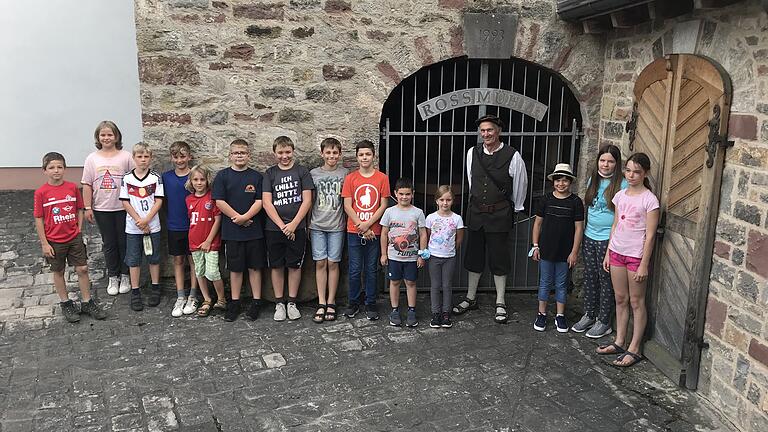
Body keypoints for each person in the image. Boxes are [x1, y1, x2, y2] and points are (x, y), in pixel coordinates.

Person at [454, 114, 528, 324]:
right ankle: (470, 297)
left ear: (498, 131)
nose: (486, 134)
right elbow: (471, 180)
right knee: (474, 255)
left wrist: (517, 207)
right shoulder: (472, 153)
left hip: (500, 213)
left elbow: (520, 184)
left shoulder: (512, 155)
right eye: (483, 131)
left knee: (499, 258)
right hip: (476, 213)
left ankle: (501, 301)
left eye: (490, 130)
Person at [596, 153, 659, 368]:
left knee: (636, 302)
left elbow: (650, 236)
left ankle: (635, 348)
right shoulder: (620, 195)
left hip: (635, 257)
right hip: (616, 253)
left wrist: (643, 263)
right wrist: (608, 252)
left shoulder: (649, 200)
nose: (631, 175)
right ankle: (620, 341)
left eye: (637, 172)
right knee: (620, 298)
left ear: (645, 174)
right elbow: (615, 225)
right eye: (629, 170)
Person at [34, 152, 106, 322]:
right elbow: (39, 218)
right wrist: (44, 243)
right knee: (58, 271)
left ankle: (87, 302)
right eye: (51, 167)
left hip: (73, 237)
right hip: (54, 240)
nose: (56, 170)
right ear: (45, 170)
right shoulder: (41, 193)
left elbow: (79, 209)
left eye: (59, 167)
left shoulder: (72, 188)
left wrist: (79, 230)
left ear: (65, 169)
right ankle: (66, 303)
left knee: (82, 269)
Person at [572, 145, 627, 337]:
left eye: (610, 161)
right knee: (590, 277)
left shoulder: (622, 184)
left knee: (605, 281)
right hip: (590, 235)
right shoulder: (592, 180)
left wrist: (613, 244)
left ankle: (604, 321)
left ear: (616, 164)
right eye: (603, 160)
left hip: (607, 238)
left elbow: (622, 217)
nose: (606, 164)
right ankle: (589, 314)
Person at [262, 136, 315, 321]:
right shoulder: (270, 173)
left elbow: (307, 200)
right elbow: (267, 203)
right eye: (280, 153)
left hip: (297, 228)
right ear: (275, 153)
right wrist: (282, 225)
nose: (284, 156)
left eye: (287, 152)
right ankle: (279, 303)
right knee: (276, 265)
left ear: (293, 151)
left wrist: (293, 224)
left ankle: (292, 302)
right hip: (274, 228)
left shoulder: (302, 172)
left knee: (294, 265)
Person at [213, 139, 265, 322]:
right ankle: (234, 302)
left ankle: (256, 301)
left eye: (243, 152)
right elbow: (219, 201)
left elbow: (260, 201)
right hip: (232, 231)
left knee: (255, 267)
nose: (239, 156)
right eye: (236, 153)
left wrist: (246, 217)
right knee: (235, 269)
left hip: (254, 231)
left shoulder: (257, 177)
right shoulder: (222, 176)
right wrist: (238, 218)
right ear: (230, 155)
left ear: (249, 155)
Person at [81, 120, 134, 296]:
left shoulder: (126, 156)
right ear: (98, 137)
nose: (106, 138)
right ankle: (113, 275)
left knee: (124, 241)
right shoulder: (92, 158)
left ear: (116, 136)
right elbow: (87, 184)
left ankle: (125, 274)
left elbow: (134, 180)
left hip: (123, 207)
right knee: (109, 243)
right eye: (103, 135)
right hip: (102, 208)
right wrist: (87, 207)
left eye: (110, 134)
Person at [530, 163, 584, 333]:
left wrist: (574, 251)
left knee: (561, 284)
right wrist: (535, 246)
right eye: (558, 180)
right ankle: (542, 313)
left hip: (565, 252)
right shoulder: (546, 199)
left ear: (570, 182)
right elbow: (537, 224)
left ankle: (560, 315)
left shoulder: (575, 202)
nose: (561, 184)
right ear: (553, 181)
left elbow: (578, 228)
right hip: (546, 248)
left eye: (565, 180)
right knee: (545, 282)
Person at [341, 140, 390, 320]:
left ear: (373, 156)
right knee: (354, 269)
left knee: (371, 268)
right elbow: (347, 205)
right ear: (356, 157)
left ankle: (370, 302)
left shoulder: (382, 178)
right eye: (361, 155)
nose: (364, 158)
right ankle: (353, 302)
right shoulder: (351, 178)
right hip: (354, 231)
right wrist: (360, 225)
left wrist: (368, 224)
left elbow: (383, 204)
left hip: (374, 231)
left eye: (367, 154)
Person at [120, 143, 164, 312]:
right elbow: (125, 201)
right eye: (139, 156)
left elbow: (159, 201)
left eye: (146, 157)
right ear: (134, 158)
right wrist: (139, 220)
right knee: (133, 259)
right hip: (133, 226)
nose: (143, 160)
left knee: (153, 257)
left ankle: (155, 287)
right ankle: (135, 291)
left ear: (150, 158)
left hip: (152, 225)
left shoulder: (155, 178)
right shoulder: (127, 178)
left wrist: (147, 220)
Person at [308, 138, 348, 323]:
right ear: (322, 153)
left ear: (339, 154)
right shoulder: (313, 174)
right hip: (317, 225)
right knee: (320, 263)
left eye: (335, 153)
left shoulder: (345, 174)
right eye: (328, 153)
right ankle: (321, 301)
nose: (331, 156)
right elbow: (309, 201)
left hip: (337, 226)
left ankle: (331, 301)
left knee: (333, 263)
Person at [380, 178, 427, 327]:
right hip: (394, 256)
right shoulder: (389, 212)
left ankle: (412, 309)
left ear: (412, 194)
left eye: (407, 194)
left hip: (412, 257)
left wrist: (421, 254)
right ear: (395, 193)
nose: (404, 197)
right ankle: (394, 310)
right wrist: (383, 253)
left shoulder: (418, 212)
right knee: (394, 282)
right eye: (401, 194)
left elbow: (423, 234)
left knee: (411, 282)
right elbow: (384, 233)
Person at [161, 141, 198, 317]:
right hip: (175, 225)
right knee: (178, 261)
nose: (179, 160)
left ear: (189, 157)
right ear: (171, 158)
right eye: (176, 157)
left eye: (183, 156)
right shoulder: (166, 177)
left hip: (194, 226)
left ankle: (193, 295)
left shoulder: (195, 176)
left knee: (194, 262)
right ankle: (180, 295)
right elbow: (164, 202)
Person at [185, 165, 226, 318]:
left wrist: (209, 240)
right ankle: (207, 299)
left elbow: (217, 220)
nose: (199, 182)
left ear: (207, 180)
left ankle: (221, 299)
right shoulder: (188, 199)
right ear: (191, 181)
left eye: (202, 179)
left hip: (211, 243)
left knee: (213, 272)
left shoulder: (212, 198)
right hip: (194, 242)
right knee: (199, 271)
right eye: (195, 179)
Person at [425, 185, 464, 329]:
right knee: (435, 285)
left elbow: (459, 238)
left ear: (453, 201)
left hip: (449, 257)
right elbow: (427, 235)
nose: (445, 203)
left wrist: (452, 249)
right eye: (442, 199)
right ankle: (436, 313)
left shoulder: (457, 218)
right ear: (436, 201)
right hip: (434, 256)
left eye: (448, 200)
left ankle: (446, 312)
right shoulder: (431, 218)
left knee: (447, 285)